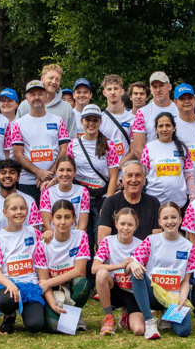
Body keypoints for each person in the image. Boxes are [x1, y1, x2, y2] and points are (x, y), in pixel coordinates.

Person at [127, 202, 195, 339]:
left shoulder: (189, 246)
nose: (170, 221)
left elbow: (186, 280)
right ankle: (150, 322)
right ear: (159, 222)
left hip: (173, 298)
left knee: (184, 331)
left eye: (173, 217)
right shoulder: (151, 240)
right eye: (165, 218)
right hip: (153, 295)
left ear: (180, 219)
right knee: (136, 271)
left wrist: (182, 298)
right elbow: (132, 263)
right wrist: (134, 265)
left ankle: (167, 313)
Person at [0, 194, 48, 334]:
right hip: (6, 286)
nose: (18, 212)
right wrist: (10, 284)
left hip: (30, 285)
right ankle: (9, 315)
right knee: (5, 301)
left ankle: (30, 313)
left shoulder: (35, 234)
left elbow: (43, 259)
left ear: (27, 211)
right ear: (5, 212)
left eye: (22, 208)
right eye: (14, 209)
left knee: (35, 325)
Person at [66, 104, 119, 249]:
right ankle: (85, 271)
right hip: (81, 199)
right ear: (81, 121)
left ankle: (100, 270)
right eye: (87, 119)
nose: (91, 123)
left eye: (95, 120)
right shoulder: (73, 145)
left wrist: (108, 204)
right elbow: (67, 171)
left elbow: (113, 176)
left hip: (102, 198)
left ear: (100, 122)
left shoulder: (109, 146)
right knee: (82, 239)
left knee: (101, 240)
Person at [35, 199, 92, 332]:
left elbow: (79, 270)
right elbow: (43, 281)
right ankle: (58, 312)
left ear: (74, 219)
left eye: (67, 217)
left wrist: (48, 282)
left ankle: (74, 314)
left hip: (71, 286)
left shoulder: (81, 236)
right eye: (58, 217)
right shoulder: (42, 244)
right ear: (52, 220)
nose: (62, 222)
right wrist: (53, 305)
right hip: (52, 291)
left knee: (82, 283)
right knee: (54, 328)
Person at [10, 80, 70, 202]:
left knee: (56, 219)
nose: (36, 97)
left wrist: (49, 174)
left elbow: (65, 148)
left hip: (54, 181)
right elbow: (17, 154)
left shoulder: (58, 121)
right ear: (27, 98)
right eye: (32, 94)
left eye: (40, 94)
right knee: (29, 219)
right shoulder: (18, 124)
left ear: (46, 96)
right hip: (28, 182)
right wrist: (38, 172)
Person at [94, 208, 143, 335]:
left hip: (132, 292)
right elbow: (94, 268)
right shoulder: (107, 241)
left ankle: (127, 312)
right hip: (113, 289)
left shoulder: (142, 245)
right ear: (116, 224)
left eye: (130, 224)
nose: (126, 228)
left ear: (135, 226)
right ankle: (108, 317)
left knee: (138, 330)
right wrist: (120, 265)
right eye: (122, 224)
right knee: (101, 274)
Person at [141, 112, 195, 208]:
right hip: (154, 203)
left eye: (168, 125)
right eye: (160, 126)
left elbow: (189, 176)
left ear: (174, 128)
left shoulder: (183, 148)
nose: (164, 129)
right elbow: (141, 175)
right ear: (156, 129)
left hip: (179, 204)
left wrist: (193, 200)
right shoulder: (148, 148)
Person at [98, 160, 161, 243]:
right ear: (123, 179)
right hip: (116, 253)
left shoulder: (153, 203)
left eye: (138, 175)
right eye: (129, 175)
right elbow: (102, 241)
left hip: (145, 253)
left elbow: (156, 240)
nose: (134, 180)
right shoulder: (110, 202)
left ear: (144, 180)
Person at [16, 63, 77, 139]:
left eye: (57, 79)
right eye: (51, 78)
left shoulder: (66, 108)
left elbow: (71, 139)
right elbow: (16, 136)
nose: (54, 82)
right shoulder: (25, 106)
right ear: (42, 79)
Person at [0, 158, 42, 234]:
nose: (7, 175)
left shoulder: (29, 201)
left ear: (18, 177)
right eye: (3, 173)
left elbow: (35, 233)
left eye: (12, 172)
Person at [130, 72, 179, 160]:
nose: (158, 90)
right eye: (155, 87)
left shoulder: (179, 109)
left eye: (161, 85)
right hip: (154, 167)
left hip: (177, 164)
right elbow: (138, 148)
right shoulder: (142, 113)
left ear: (169, 87)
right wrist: (152, 166)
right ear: (151, 90)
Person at [100, 75, 135, 165]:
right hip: (105, 171)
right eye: (109, 89)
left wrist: (117, 167)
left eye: (116, 88)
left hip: (125, 171)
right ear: (104, 92)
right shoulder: (100, 119)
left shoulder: (132, 118)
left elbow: (134, 150)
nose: (112, 92)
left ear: (122, 91)